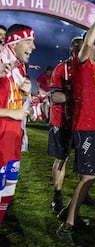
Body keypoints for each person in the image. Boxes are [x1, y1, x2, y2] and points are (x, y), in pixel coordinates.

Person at [56, 0, 95, 246]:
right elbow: (88, 40)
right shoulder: (83, 63)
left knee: (91, 176)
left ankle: (69, 213)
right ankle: (67, 225)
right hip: (85, 128)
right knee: (87, 177)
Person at [0, 24, 36, 224]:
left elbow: (14, 102)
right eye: (29, 41)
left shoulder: (20, 69)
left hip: (12, 140)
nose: (33, 46)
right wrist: (11, 113)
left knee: (8, 189)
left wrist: (24, 93)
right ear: (15, 41)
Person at [48, 37, 84, 213]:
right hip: (62, 122)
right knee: (62, 159)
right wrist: (77, 97)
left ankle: (84, 193)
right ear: (72, 51)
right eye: (79, 49)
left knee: (83, 160)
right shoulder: (62, 69)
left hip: (81, 123)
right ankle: (57, 195)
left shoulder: (89, 68)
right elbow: (55, 97)